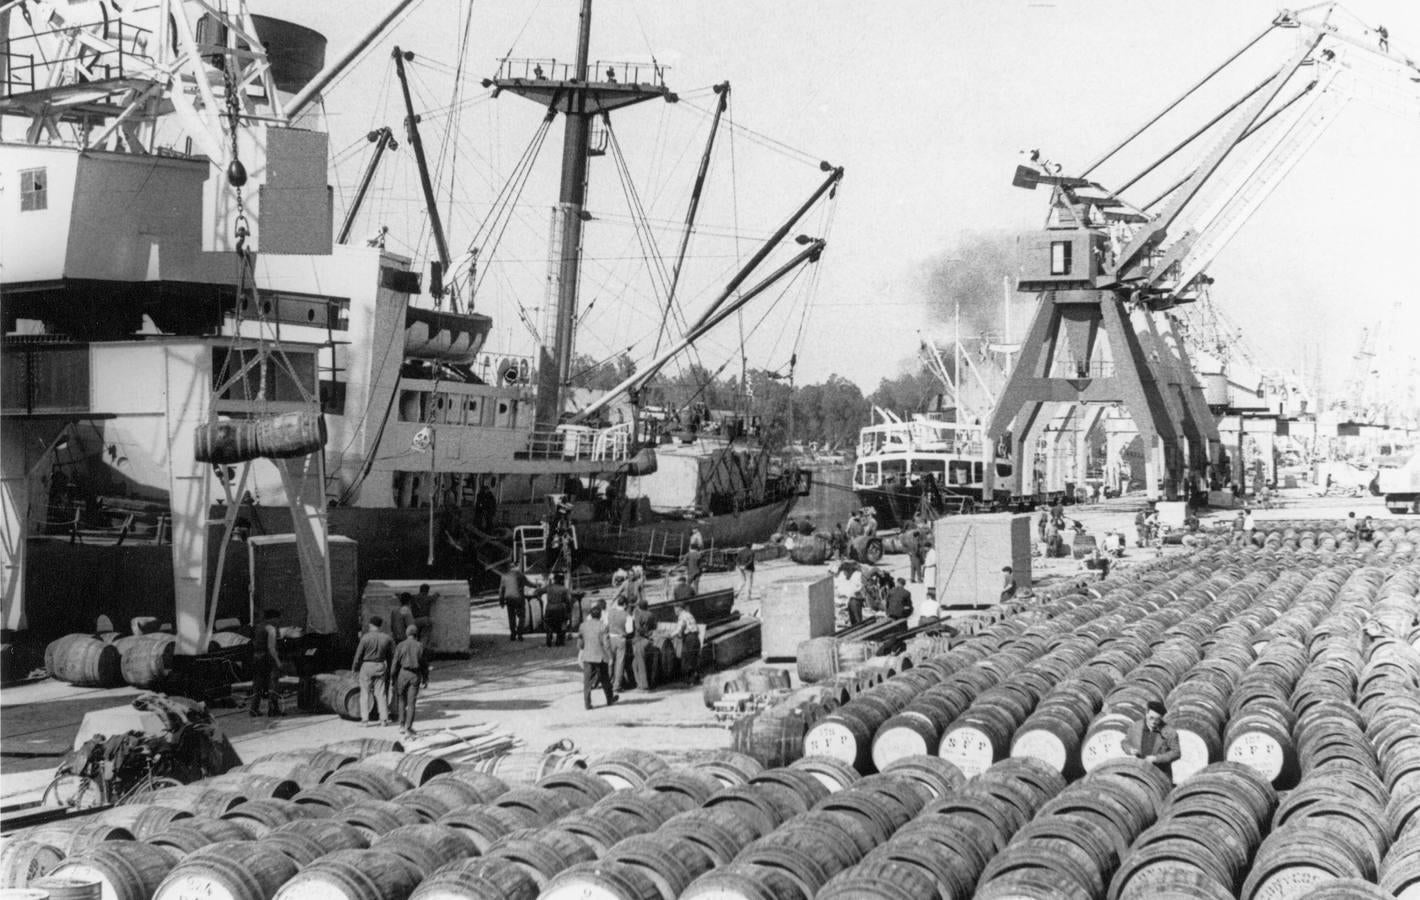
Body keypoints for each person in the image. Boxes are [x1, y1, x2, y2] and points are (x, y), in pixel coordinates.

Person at [1121, 701, 1181, 781]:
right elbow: (1125, 742)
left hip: (1160, 775)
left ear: (1162, 718)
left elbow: (1176, 752)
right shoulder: (1136, 727)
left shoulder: (1169, 732)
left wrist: (1156, 759)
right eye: (1151, 718)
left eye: (1157, 719)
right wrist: (1130, 750)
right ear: (1146, 713)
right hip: (1139, 771)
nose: (1154, 722)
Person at [352, 616, 395, 726]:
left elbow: (358, 656)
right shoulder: (387, 638)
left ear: (371, 625)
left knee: (365, 693)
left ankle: (365, 720)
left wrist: (355, 668)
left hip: (366, 666)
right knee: (381, 693)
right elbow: (391, 656)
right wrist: (390, 669)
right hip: (380, 665)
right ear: (380, 626)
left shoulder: (365, 638)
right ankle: (384, 719)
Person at [577, 604, 618, 710]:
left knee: (587, 681)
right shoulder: (603, 626)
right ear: (600, 616)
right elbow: (606, 643)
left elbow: (580, 643)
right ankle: (609, 699)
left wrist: (582, 649)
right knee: (605, 679)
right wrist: (610, 656)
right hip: (600, 657)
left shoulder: (583, 625)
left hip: (587, 656)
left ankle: (587, 703)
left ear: (590, 615)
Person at [391, 624, 428, 738]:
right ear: (416, 635)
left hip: (402, 674)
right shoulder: (420, 646)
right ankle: (408, 727)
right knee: (411, 703)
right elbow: (424, 664)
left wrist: (393, 678)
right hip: (414, 675)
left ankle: (401, 725)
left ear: (406, 634)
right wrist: (425, 678)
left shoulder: (400, 645)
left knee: (401, 700)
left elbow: (395, 664)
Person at [249, 608, 283, 718]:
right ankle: (273, 709)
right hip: (267, 658)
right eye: (278, 619)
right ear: (273, 618)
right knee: (273, 682)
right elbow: (271, 648)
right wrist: (278, 661)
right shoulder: (271, 629)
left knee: (257, 684)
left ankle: (253, 709)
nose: (279, 621)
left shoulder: (258, 627)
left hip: (256, 657)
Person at [499, 562, 536, 642]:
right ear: (516, 567)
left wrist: (501, 601)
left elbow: (501, 590)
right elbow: (529, 584)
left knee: (511, 616)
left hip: (509, 599)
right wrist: (537, 585)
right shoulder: (520, 575)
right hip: (519, 598)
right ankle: (520, 634)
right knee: (522, 616)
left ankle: (513, 634)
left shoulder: (504, 576)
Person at [606, 593, 632, 692]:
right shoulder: (627, 615)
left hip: (610, 638)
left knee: (610, 661)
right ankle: (617, 685)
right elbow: (629, 631)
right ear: (625, 604)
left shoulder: (610, 612)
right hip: (621, 639)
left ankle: (608, 682)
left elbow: (606, 624)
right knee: (620, 663)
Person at [630, 598, 657, 691]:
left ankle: (644, 685)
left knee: (639, 663)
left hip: (639, 640)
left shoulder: (638, 614)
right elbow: (655, 627)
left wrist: (644, 633)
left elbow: (637, 628)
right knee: (635, 664)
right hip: (649, 641)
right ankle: (640, 684)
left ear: (639, 607)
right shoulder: (651, 615)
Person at [672, 601, 701, 683]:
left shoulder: (682, 616)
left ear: (679, 609)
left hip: (690, 639)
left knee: (686, 659)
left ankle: (690, 680)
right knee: (694, 658)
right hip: (696, 638)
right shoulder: (688, 614)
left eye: (675, 609)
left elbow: (678, 630)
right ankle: (696, 678)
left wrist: (670, 635)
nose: (674, 611)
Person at [542, 573, 573, 647]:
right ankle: (559, 640)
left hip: (549, 608)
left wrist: (539, 599)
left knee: (549, 623)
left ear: (554, 580)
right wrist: (569, 610)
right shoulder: (564, 589)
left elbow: (538, 591)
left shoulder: (549, 587)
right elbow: (567, 601)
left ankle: (549, 636)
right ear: (562, 580)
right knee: (561, 623)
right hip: (560, 608)